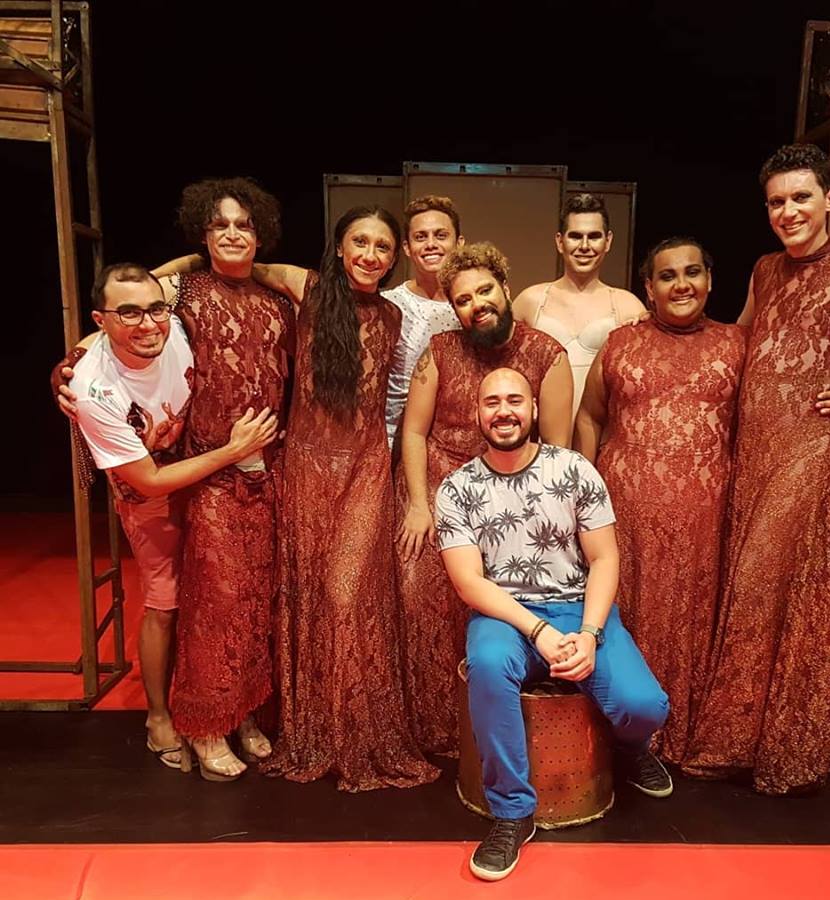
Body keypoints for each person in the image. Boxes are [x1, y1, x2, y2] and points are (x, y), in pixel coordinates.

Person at [684, 144, 830, 795]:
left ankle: (774, 744)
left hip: (812, 451)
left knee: (767, 587)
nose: (788, 211)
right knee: (755, 592)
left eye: (801, 197)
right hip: (753, 454)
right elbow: (737, 342)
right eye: (776, 201)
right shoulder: (765, 269)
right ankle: (747, 737)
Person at [436, 367, 670, 881]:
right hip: (504, 613)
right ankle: (512, 813)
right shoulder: (457, 488)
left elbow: (604, 558)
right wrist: (537, 631)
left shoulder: (574, 470)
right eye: (492, 402)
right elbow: (469, 582)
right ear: (477, 414)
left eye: (514, 400)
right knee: (488, 663)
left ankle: (629, 749)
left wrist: (589, 634)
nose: (504, 411)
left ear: (534, 409)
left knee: (645, 706)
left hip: (576, 609)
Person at [247, 206, 439, 791]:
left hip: (365, 468)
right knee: (311, 597)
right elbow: (238, 262)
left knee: (347, 595)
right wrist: (160, 276)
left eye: (382, 247)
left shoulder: (392, 315)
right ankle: (317, 729)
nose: (370, 255)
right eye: (361, 242)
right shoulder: (306, 287)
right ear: (339, 246)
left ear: (394, 256)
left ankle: (358, 731)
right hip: (307, 468)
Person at [67, 262, 277, 770]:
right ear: (100, 319)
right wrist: (234, 452)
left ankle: (232, 706)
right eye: (128, 313)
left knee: (227, 596)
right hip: (153, 494)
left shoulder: (176, 325)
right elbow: (150, 481)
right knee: (167, 601)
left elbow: (193, 262)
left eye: (154, 308)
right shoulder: (93, 389)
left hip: (207, 479)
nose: (147, 324)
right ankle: (159, 715)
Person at [396, 243, 574, 755]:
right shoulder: (438, 351)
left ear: (505, 288)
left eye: (484, 291)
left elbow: (557, 455)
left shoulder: (548, 355)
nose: (477, 304)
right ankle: (437, 730)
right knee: (418, 588)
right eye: (463, 299)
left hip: (514, 503)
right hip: (437, 490)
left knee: (504, 598)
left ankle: (497, 731)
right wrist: (418, 505)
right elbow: (414, 432)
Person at [575, 238, 747, 765]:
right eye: (667, 276)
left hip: (705, 515)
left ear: (710, 280)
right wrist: (583, 497)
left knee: (691, 619)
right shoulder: (621, 342)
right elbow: (590, 416)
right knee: (627, 613)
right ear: (648, 288)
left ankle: (678, 730)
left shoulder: (737, 344)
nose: (681, 284)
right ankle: (620, 737)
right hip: (625, 511)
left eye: (693, 272)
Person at [156, 177, 294, 781]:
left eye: (244, 225)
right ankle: (205, 725)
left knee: (258, 603)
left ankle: (242, 715)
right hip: (212, 473)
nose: (233, 234)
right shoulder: (184, 291)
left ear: (260, 234)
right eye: (220, 225)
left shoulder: (277, 301)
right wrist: (189, 263)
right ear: (202, 233)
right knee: (215, 603)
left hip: (270, 475)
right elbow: (130, 299)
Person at [512, 193, 647, 417]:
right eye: (575, 236)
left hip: (602, 429)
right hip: (541, 430)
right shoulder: (529, 301)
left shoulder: (629, 306)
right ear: (560, 241)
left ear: (608, 241)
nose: (584, 246)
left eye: (594, 236)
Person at [381, 196, 464, 450]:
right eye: (420, 237)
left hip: (456, 444)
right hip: (395, 443)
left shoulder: (473, 305)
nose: (431, 244)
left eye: (441, 235)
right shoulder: (389, 305)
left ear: (459, 243)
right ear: (407, 248)